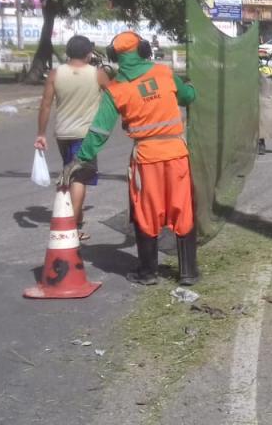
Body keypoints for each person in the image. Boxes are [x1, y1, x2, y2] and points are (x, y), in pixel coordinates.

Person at [61, 31, 198, 286]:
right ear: (144, 49)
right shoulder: (164, 73)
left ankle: (148, 272)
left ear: (115, 56)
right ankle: (188, 272)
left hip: (146, 160)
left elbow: (100, 129)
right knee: (183, 209)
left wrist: (80, 158)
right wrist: (189, 87)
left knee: (146, 213)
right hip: (177, 155)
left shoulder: (116, 89)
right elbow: (188, 97)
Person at [35, 35, 108, 241]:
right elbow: (115, 96)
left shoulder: (55, 74)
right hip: (85, 135)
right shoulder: (97, 74)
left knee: (71, 172)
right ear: (88, 54)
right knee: (79, 178)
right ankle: (72, 227)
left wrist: (41, 134)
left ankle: (76, 216)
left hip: (63, 134)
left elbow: (45, 105)